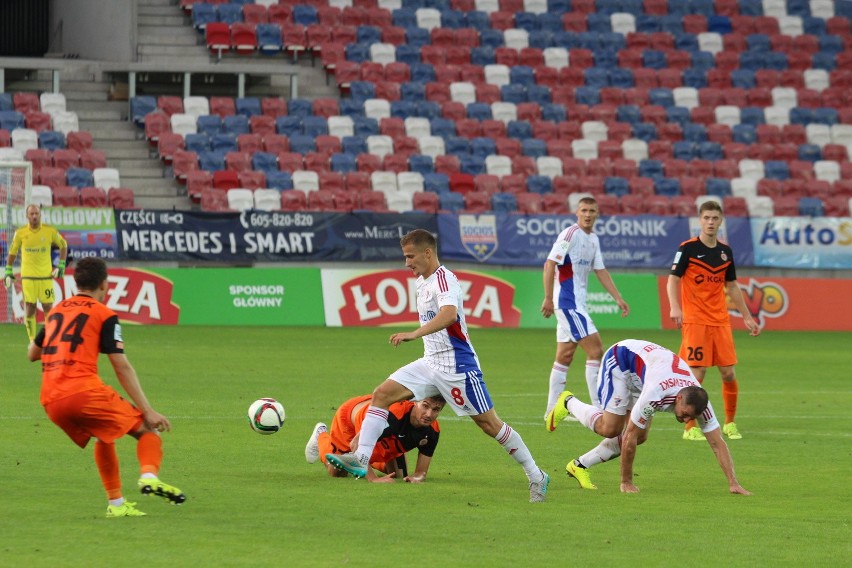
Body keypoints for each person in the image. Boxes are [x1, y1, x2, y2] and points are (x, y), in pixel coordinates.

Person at [324, 229, 550, 502]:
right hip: (430, 362)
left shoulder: (446, 280)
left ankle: (536, 475)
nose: (406, 262)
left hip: (458, 367)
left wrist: (414, 333)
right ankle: (361, 458)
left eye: (410, 256)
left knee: (490, 425)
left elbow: (449, 314)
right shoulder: (422, 282)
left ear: (427, 253)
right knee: (381, 394)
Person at [27, 257, 185, 518]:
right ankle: (148, 476)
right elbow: (121, 366)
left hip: (51, 400)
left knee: (104, 434)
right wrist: (148, 410)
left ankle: (116, 505)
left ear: (75, 282)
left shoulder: (56, 311)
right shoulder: (105, 314)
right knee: (147, 431)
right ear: (104, 285)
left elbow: (33, 353)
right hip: (83, 392)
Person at [546, 339, 751, 495]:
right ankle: (567, 402)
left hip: (644, 373)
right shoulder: (656, 394)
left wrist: (733, 482)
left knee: (642, 437)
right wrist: (626, 482)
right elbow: (629, 438)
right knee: (611, 429)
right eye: (686, 415)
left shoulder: (699, 402)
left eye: (692, 418)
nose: (688, 421)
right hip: (620, 363)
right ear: (678, 399)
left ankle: (579, 465)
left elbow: (717, 443)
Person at [667, 200, 760, 442]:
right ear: (700, 220)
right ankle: (689, 427)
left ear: (720, 221)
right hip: (696, 321)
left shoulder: (725, 252)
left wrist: (748, 316)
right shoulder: (687, 248)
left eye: (714, 218)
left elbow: (731, 286)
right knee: (696, 376)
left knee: (728, 372)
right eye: (706, 218)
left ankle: (730, 423)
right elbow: (673, 279)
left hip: (720, 321)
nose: (710, 222)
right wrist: (675, 307)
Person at [541, 196, 629, 424]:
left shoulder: (593, 239)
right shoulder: (569, 234)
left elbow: (600, 270)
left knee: (564, 356)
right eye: (584, 210)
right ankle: (598, 409)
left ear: (597, 214)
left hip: (577, 304)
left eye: (592, 211)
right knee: (596, 350)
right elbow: (550, 263)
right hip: (568, 303)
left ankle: (551, 410)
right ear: (577, 213)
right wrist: (548, 298)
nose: (588, 215)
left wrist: (618, 297)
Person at [305, 394, 445, 482]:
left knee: (398, 475)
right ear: (415, 401)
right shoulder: (393, 416)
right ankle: (321, 435)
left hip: (385, 431)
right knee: (336, 472)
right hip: (350, 419)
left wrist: (417, 477)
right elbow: (356, 444)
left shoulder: (432, 430)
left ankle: (364, 459)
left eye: (436, 410)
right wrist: (373, 479)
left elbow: (421, 473)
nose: (428, 414)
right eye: (425, 406)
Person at [5, 204, 68, 341]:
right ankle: (33, 340)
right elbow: (12, 252)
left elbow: (63, 245)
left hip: (46, 277)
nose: (34, 216)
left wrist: (61, 265)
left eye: (36, 213)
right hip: (28, 278)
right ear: (27, 216)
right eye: (31, 214)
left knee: (48, 307)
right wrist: (8, 270)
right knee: (30, 306)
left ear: (40, 215)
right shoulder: (20, 233)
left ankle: (50, 338)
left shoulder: (49, 231)